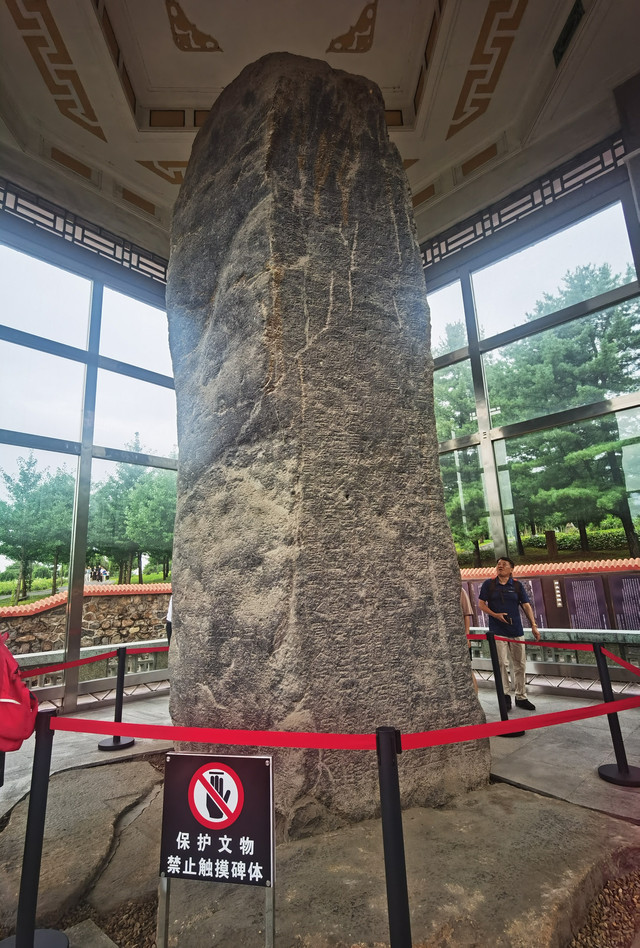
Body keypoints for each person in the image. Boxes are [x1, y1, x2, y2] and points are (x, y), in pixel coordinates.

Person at [478, 557, 541, 711]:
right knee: (501, 664)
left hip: (516, 630)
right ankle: (505, 696)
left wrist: (533, 625)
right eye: (498, 564)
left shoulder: (517, 585)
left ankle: (521, 696)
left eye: (504, 564)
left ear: (511, 569)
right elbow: (481, 604)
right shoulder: (489, 584)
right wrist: (495, 615)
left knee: (520, 664)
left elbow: (526, 605)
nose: (500, 566)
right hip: (497, 630)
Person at [461, 586, 478, 694]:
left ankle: (475, 696)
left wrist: (467, 636)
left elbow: (466, 614)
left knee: (468, 669)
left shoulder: (460, 590)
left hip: (461, 637)